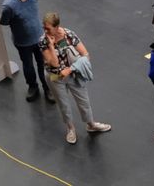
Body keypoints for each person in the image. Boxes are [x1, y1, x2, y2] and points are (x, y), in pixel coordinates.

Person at [39, 12, 111, 143]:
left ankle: (91, 124)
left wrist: (70, 69)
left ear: (57, 26)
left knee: (84, 101)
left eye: (48, 28)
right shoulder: (43, 41)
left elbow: (86, 55)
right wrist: (50, 44)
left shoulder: (69, 35)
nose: (45, 31)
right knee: (63, 104)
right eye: (44, 27)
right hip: (55, 77)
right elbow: (54, 63)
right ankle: (70, 128)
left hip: (73, 74)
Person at [0, 0, 47, 102]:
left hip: (39, 37)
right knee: (28, 65)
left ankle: (47, 87)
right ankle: (33, 86)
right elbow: (4, 21)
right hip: (23, 43)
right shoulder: (9, 6)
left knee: (43, 63)